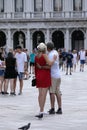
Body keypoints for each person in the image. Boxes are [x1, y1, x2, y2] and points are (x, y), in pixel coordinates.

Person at [35, 42, 56, 119]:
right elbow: (50, 64)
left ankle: (41, 109)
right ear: (45, 49)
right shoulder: (44, 55)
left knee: (40, 94)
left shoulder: (36, 56)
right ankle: (41, 110)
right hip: (45, 75)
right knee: (44, 94)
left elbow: (36, 67)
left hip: (39, 75)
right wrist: (54, 60)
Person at [46, 42, 62, 114]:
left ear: (48, 48)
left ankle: (52, 108)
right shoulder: (55, 52)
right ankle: (60, 108)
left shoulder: (50, 54)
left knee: (52, 92)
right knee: (57, 92)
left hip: (53, 75)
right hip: (58, 75)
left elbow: (49, 64)